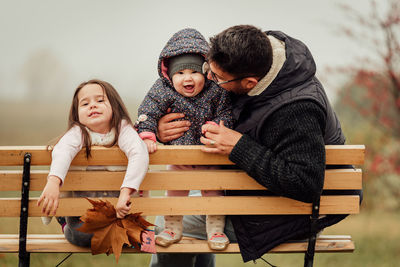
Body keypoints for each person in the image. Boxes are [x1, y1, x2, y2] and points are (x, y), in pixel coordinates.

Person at [154, 25, 360, 265]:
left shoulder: (298, 110)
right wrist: (162, 130)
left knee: (164, 223)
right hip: (256, 194)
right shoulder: (256, 59)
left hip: (294, 212)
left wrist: (238, 146)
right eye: (207, 69)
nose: (209, 78)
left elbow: (306, 183)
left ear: (250, 83)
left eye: (217, 78)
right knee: (200, 204)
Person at [136, 28, 233, 251]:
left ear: (206, 73)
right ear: (169, 75)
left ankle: (215, 230)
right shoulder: (162, 90)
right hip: (179, 158)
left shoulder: (216, 90)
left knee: (213, 193)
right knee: (175, 192)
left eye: (194, 72)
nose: (187, 78)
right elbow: (147, 112)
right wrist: (149, 134)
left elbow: (226, 112)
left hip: (209, 156)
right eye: (180, 73)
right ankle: (172, 229)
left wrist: (218, 126)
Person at [37, 79, 149, 247]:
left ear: (114, 106)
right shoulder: (78, 133)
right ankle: (65, 223)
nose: (92, 106)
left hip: (119, 211)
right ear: (77, 114)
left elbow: (139, 152)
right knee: (83, 237)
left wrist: (125, 193)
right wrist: (53, 181)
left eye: (100, 100)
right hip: (83, 215)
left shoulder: (123, 130)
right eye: (85, 103)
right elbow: (62, 151)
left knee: (130, 236)